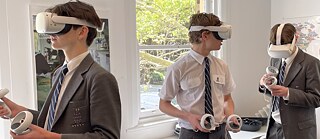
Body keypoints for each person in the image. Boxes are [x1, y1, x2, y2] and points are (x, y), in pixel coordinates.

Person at [0, 1, 121, 139]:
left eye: (59, 26)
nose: (51, 33)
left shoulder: (99, 78)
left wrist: (47, 137)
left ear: (82, 32)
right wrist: (17, 111)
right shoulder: (59, 73)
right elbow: (53, 121)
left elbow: (107, 136)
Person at [159, 13, 237, 139]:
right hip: (192, 133)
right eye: (218, 35)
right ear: (204, 35)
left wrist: (230, 116)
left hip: (221, 133)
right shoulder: (178, 68)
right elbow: (163, 104)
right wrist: (188, 117)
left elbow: (227, 99)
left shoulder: (222, 66)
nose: (222, 40)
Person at [258, 23, 320, 139]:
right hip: (274, 128)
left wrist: (288, 93)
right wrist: (264, 85)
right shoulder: (275, 59)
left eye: (284, 46)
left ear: (295, 39)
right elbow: (274, 93)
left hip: (298, 131)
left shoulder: (311, 63)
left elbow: (316, 99)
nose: (280, 51)